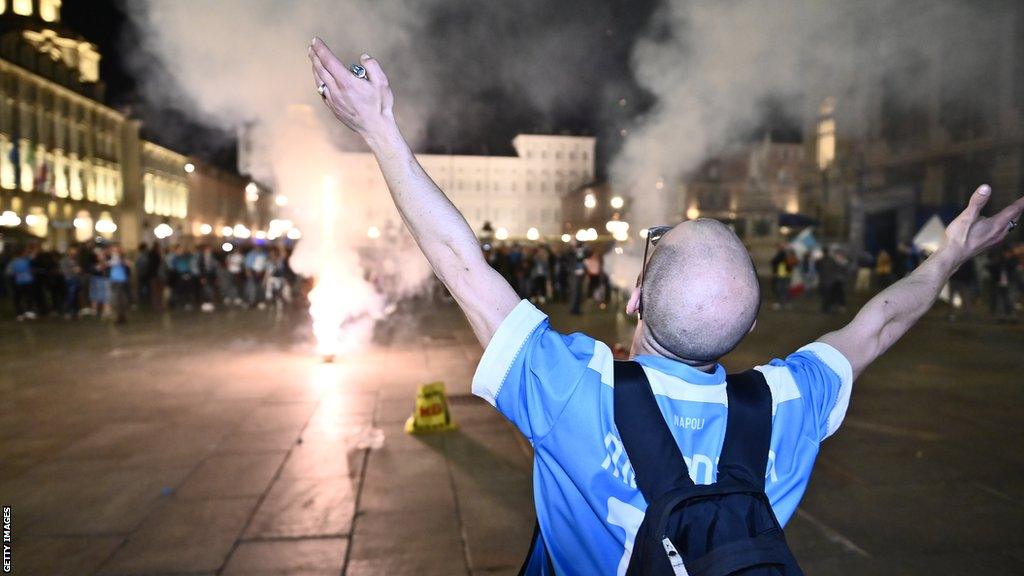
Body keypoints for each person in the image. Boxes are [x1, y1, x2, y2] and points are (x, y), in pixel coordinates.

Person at [308, 40, 1024, 575]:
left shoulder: (575, 390)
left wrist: (379, 130)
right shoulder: (787, 402)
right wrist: (951, 254)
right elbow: (882, 322)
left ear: (636, 298)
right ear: (746, 332)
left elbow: (461, 261)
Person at [5, 246, 37, 320]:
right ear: (22, 253)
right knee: (25, 298)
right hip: (25, 282)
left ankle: (21, 314)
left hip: (20, 282)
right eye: (25, 252)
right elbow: (9, 272)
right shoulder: (24, 260)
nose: (26, 253)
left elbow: (9, 273)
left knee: (20, 298)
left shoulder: (14, 262)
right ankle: (25, 313)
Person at [107, 244, 131, 324]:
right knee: (119, 299)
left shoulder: (119, 257)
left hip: (119, 279)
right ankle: (121, 316)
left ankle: (120, 317)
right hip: (115, 278)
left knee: (118, 299)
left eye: (115, 249)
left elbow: (114, 263)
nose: (113, 251)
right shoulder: (116, 257)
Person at [769, 243, 794, 310]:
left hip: (781, 274)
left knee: (780, 289)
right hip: (787, 274)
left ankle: (781, 303)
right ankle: (786, 303)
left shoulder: (781, 254)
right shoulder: (790, 254)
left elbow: (773, 262)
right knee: (785, 289)